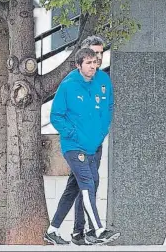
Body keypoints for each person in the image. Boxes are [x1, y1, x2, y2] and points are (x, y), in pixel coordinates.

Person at [44, 47, 119, 246]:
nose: (93, 67)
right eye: (88, 63)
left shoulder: (103, 80)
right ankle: (98, 230)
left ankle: (52, 230)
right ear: (79, 66)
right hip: (74, 146)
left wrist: (103, 130)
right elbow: (56, 116)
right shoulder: (68, 85)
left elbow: (109, 105)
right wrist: (73, 134)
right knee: (88, 184)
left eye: (95, 63)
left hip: (94, 145)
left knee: (73, 189)